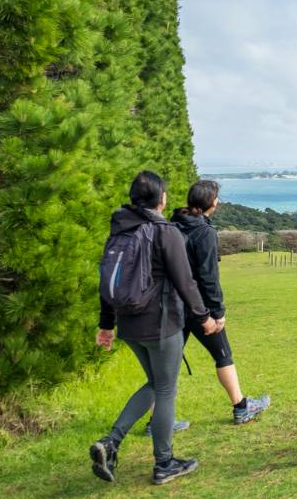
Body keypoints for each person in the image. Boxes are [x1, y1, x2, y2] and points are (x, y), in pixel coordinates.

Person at [91, 171, 222, 486]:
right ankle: (164, 463)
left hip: (129, 323)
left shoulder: (119, 230)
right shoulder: (164, 231)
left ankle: (111, 443)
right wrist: (204, 317)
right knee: (165, 389)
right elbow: (185, 282)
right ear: (161, 199)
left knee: (155, 383)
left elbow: (107, 278)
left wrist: (107, 325)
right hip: (160, 323)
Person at [171, 179, 270, 424]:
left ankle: (157, 421)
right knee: (223, 354)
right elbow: (209, 277)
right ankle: (241, 407)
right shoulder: (204, 232)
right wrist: (217, 312)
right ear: (212, 202)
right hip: (199, 308)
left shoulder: (173, 226)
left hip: (173, 304)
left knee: (167, 364)